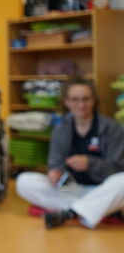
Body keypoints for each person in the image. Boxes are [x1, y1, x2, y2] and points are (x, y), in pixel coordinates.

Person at [16, 77, 124, 229]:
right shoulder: (61, 128)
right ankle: (94, 209)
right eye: (75, 99)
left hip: (102, 187)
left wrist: (90, 164)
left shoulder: (112, 128)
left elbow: (118, 169)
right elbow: (55, 163)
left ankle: (71, 212)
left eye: (86, 99)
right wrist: (55, 173)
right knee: (25, 181)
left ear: (94, 100)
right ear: (66, 102)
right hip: (72, 189)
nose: (81, 105)